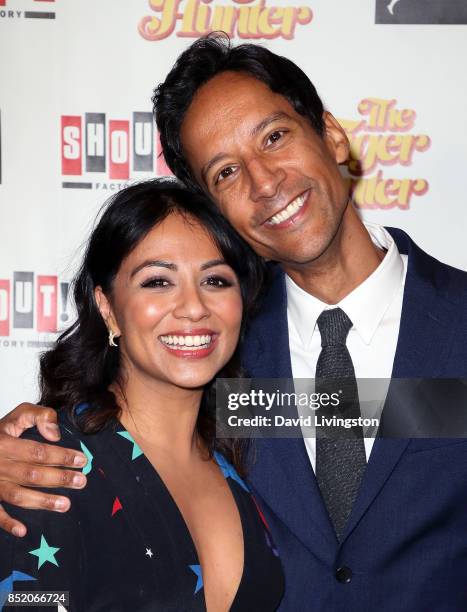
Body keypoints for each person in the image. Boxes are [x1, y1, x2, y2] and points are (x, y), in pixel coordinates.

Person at [1, 34, 467, 611]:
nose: (264, 181)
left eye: (274, 137)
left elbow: (417, 409)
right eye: (224, 173)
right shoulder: (217, 354)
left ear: (332, 135)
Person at [0, 178, 284, 611]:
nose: (193, 307)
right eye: (157, 282)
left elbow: (399, 412)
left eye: (216, 280)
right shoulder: (46, 464)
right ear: (108, 307)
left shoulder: (244, 456)